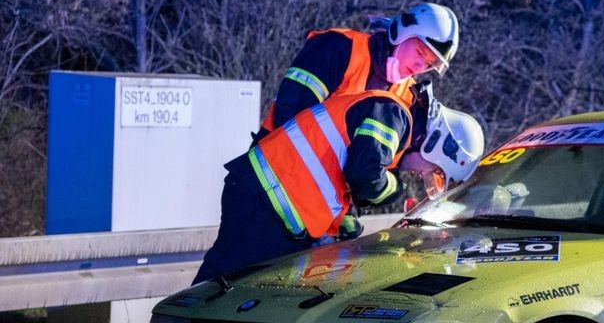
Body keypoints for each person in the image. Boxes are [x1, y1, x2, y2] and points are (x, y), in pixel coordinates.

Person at [193, 88, 484, 285]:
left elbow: (333, 171)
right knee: (219, 283)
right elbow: (363, 174)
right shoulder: (392, 115)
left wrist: (338, 221)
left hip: (270, 203)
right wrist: (395, 190)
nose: (421, 176)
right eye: (433, 172)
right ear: (436, 147)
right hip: (263, 198)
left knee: (243, 291)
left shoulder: (390, 123)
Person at [254, 2, 460, 144]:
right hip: (265, 179)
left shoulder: (406, 98)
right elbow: (290, 114)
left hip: (323, 200)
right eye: (419, 53)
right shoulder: (338, 48)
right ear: (402, 33)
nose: (419, 66)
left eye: (429, 64)